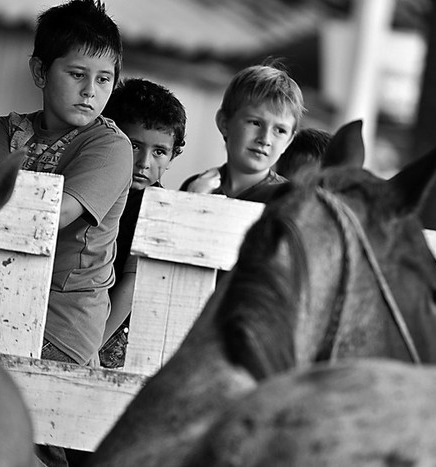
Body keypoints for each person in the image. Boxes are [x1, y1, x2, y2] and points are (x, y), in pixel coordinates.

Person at [0, 0, 132, 370]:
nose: (91, 91)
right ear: (40, 71)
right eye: (77, 74)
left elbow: (51, 218)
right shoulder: (8, 129)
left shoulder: (110, 146)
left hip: (61, 324)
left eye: (104, 79)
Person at [98, 77, 187, 368]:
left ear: (174, 155)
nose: (145, 162)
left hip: (114, 335)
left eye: (159, 151)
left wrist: (93, 346)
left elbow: (132, 285)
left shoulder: (156, 206)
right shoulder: (94, 187)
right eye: (134, 145)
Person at [180, 62, 305, 202]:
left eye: (280, 130)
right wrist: (192, 200)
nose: (265, 139)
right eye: (255, 123)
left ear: (288, 141)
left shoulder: (288, 201)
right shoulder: (196, 186)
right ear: (224, 123)